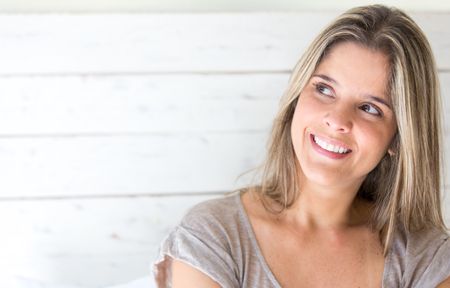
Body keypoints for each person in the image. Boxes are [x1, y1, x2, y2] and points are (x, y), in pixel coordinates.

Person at [153, 4, 450, 287]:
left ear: (398, 138)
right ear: (297, 96)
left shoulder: (426, 259)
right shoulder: (214, 236)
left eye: (370, 108)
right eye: (324, 89)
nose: (337, 119)